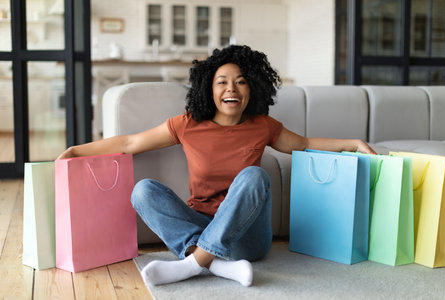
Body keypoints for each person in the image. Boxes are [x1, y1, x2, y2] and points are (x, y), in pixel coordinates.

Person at [58, 45, 375, 287]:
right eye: (222, 82)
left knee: (255, 175)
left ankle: (191, 264)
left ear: (252, 89)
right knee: (143, 191)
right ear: (209, 88)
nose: (231, 89)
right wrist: (76, 151)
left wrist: (352, 143)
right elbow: (129, 144)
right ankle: (215, 263)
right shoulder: (187, 124)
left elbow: (304, 144)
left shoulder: (263, 125)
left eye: (240, 82)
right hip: (201, 226)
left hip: (248, 238)